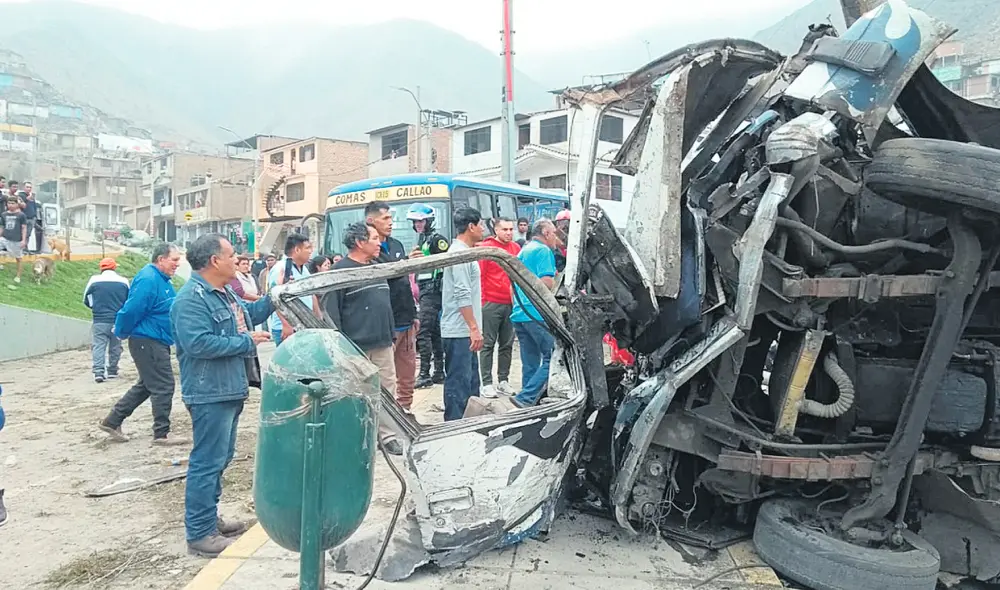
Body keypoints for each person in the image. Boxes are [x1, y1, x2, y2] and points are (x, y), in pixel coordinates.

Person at [171, 233, 273, 558]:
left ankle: (209, 520)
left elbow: (249, 315)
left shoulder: (225, 293)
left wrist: (277, 297)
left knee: (221, 457)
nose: (236, 260)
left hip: (229, 388)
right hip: (208, 392)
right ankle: (200, 533)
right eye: (231, 255)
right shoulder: (191, 300)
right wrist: (247, 342)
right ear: (215, 261)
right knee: (207, 461)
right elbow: (198, 344)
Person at [98, 243, 189, 445]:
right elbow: (132, 309)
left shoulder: (162, 279)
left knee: (148, 384)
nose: (178, 264)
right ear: (161, 259)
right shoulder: (149, 279)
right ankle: (161, 434)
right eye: (174, 260)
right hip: (147, 340)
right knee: (164, 385)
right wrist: (121, 331)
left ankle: (112, 421)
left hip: (156, 339)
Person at [325, 222, 403, 455]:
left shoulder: (377, 267)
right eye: (374, 238)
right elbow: (330, 313)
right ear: (360, 242)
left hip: (382, 342)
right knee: (355, 393)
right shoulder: (339, 271)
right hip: (354, 346)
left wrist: (391, 334)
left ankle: (387, 436)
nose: (379, 243)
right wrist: (340, 347)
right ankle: (357, 437)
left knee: (387, 390)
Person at [366, 201, 420, 414]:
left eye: (391, 218)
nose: (391, 222)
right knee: (385, 379)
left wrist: (414, 314)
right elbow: (388, 275)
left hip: (406, 319)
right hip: (386, 326)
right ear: (371, 221)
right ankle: (386, 420)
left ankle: (405, 413)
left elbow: (405, 282)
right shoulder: (368, 252)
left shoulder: (397, 244)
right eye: (385, 218)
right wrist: (405, 263)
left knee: (407, 375)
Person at [509, 218, 560, 408]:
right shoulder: (543, 251)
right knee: (553, 357)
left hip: (520, 311)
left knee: (530, 361)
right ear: (546, 233)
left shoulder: (524, 250)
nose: (556, 237)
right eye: (554, 233)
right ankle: (526, 397)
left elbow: (512, 285)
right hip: (536, 313)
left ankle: (526, 403)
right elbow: (546, 282)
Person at [440, 207, 485, 421]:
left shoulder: (466, 252)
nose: (483, 229)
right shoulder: (459, 254)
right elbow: (462, 293)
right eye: (481, 224)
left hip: (465, 330)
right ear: (471, 226)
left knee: (471, 384)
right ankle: (454, 427)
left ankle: (470, 425)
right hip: (459, 330)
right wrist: (473, 328)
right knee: (458, 385)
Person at [477, 217, 520, 398]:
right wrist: (482, 302)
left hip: (510, 302)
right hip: (491, 302)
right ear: (496, 230)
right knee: (487, 344)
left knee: (506, 344)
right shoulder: (487, 248)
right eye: (505, 229)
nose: (509, 233)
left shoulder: (516, 248)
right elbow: (480, 275)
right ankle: (486, 383)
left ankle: (503, 380)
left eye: (511, 229)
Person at [407, 203, 449, 389]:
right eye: (415, 222)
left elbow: (445, 264)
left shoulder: (437, 240)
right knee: (433, 332)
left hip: (433, 290)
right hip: (424, 289)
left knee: (423, 331)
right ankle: (439, 372)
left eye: (421, 221)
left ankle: (424, 373)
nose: (417, 224)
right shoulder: (422, 238)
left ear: (429, 221)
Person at [267, 233, 319, 346]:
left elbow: (311, 294)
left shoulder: (304, 269)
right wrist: (286, 324)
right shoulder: (280, 269)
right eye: (307, 248)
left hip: (305, 325)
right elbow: (274, 298)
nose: (310, 251)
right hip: (288, 328)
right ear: (297, 250)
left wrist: (318, 317)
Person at [84, 257, 130, 382]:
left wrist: (95, 308)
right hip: (117, 319)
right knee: (116, 346)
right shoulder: (123, 281)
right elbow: (128, 301)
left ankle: (99, 372)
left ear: (101, 268)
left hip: (99, 319)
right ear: (114, 267)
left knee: (98, 345)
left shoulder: (94, 280)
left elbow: (86, 299)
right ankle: (112, 370)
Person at [0, 196, 27, 284]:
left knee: (18, 258)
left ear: (17, 204)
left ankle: (18, 276)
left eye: (13, 203)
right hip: (5, 238)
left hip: (16, 240)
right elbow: (2, 227)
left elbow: (24, 228)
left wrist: (23, 240)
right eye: (9, 203)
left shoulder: (21, 215)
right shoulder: (4, 214)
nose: (10, 205)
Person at [18, 187, 40, 254]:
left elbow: (34, 207)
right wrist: (27, 199)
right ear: (24, 188)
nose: (29, 188)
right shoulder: (21, 196)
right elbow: (20, 205)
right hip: (24, 219)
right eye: (27, 187)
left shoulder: (32, 198)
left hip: (32, 219)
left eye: (30, 187)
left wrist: (35, 216)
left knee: (28, 235)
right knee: (23, 234)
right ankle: (21, 249)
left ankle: (26, 248)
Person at [554, 209, 571, 273]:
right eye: (562, 223)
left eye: (567, 223)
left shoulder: (575, 237)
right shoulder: (553, 238)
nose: (565, 226)